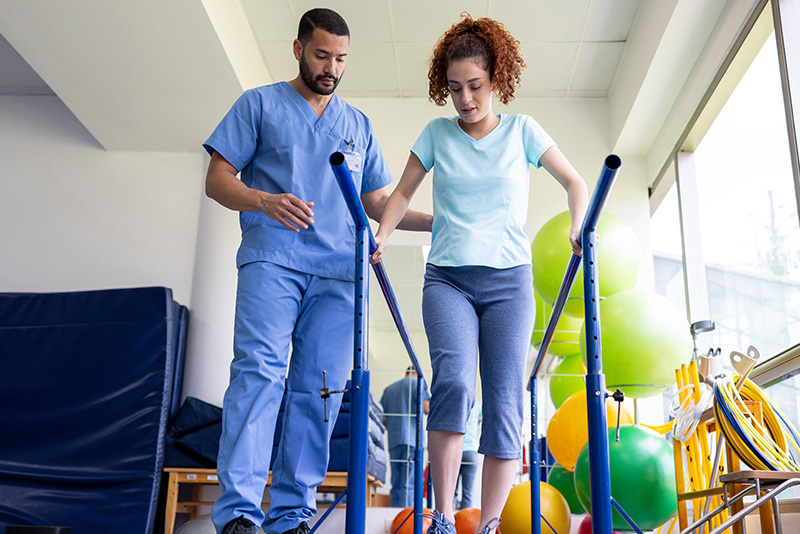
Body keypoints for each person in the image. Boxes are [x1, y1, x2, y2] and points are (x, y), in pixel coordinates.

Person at [203, 8, 432, 534]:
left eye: (341, 59)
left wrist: (439, 223)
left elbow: (377, 200)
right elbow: (218, 179)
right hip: (274, 262)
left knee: (320, 392)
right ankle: (239, 512)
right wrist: (262, 200)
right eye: (322, 55)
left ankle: (291, 515)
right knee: (258, 376)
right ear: (298, 49)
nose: (331, 67)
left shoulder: (358, 126)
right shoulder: (258, 104)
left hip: (339, 275)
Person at [371, 13, 589, 534]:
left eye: (475, 86)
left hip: (509, 283)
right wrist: (381, 235)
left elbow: (576, 182)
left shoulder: (523, 131)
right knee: (452, 386)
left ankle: (489, 522)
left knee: (506, 402)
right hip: (447, 278)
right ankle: (443, 518)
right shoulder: (436, 134)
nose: (465, 99)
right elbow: (401, 195)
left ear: (497, 80)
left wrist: (578, 228)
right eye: (454, 89)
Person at [380, 366, 431, 508]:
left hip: (394, 440)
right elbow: (427, 409)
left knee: (396, 483)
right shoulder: (418, 383)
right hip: (412, 440)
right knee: (409, 483)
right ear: (416, 372)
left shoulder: (389, 390)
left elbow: (383, 419)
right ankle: (407, 520)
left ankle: (394, 516)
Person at [456, 402, 481, 510]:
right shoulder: (478, 406)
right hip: (471, 450)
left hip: (455, 449)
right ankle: (465, 524)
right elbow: (479, 425)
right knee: (468, 492)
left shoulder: (456, 402)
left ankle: (448, 524)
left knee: (451, 492)